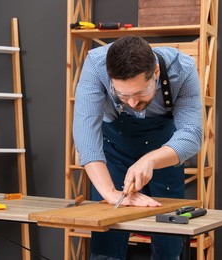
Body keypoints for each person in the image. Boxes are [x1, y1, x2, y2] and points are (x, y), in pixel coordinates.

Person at [73, 36, 203, 259]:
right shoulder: (95, 64)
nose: (132, 103)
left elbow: (192, 135)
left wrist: (149, 160)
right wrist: (110, 193)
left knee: (170, 246)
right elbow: (86, 136)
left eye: (140, 94)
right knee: (106, 241)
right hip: (114, 152)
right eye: (123, 95)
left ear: (155, 74)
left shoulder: (183, 69)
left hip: (165, 154)